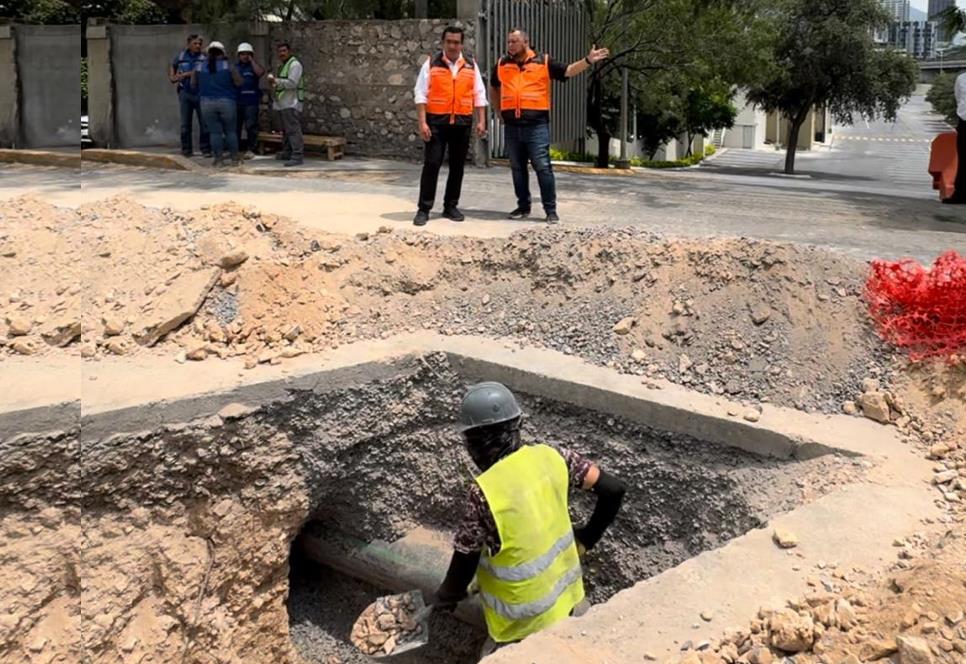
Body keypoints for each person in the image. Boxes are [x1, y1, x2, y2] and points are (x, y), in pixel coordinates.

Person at [432, 382, 626, 658]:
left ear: (475, 444)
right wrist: (586, 537)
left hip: (521, 630)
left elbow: (464, 561)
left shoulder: (483, 493)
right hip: (569, 605)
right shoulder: (555, 456)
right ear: (516, 426)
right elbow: (614, 490)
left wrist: (446, 596)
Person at [491, 30, 609, 223]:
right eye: (509, 41)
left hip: (536, 126)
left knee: (543, 167)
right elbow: (494, 87)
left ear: (526, 42)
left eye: (515, 41)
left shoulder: (543, 62)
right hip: (512, 126)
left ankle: (550, 211)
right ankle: (523, 206)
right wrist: (498, 111)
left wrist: (588, 60)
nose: (510, 45)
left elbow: (568, 70)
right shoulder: (502, 64)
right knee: (517, 168)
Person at [412, 26, 488, 227]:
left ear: (462, 44)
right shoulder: (431, 64)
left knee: (457, 167)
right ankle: (424, 208)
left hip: (462, 123)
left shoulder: (471, 66)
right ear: (443, 43)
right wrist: (422, 122)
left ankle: (450, 206)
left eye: (456, 42)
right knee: (432, 164)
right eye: (449, 42)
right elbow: (420, 95)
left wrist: (481, 121)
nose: (453, 46)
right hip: (437, 122)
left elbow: (479, 94)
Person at [191, 41, 243, 167]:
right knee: (231, 131)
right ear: (222, 53)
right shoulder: (228, 66)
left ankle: (219, 160)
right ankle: (235, 159)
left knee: (215, 132)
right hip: (227, 102)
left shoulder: (198, 67)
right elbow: (239, 82)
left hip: (206, 103)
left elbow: (193, 85)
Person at [169, 34, 210, 157]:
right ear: (188, 44)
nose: (198, 46)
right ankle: (186, 150)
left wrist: (187, 74)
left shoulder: (204, 58)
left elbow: (205, 72)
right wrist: (172, 76)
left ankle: (206, 149)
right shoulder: (181, 57)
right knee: (185, 125)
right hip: (185, 93)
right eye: (195, 43)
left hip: (201, 93)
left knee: (204, 124)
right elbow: (172, 66)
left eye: (199, 44)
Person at [266, 42, 305, 167]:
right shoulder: (283, 65)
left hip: (292, 102)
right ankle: (288, 152)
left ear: (289, 51)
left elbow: (292, 83)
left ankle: (297, 156)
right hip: (284, 103)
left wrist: (275, 81)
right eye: (280, 51)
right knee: (286, 130)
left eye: (284, 51)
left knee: (293, 130)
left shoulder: (294, 65)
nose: (281, 53)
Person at [235, 42, 265, 160]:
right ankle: (236, 149)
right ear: (239, 55)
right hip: (238, 101)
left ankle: (251, 148)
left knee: (251, 126)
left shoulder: (254, 67)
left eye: (247, 54)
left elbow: (260, 72)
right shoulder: (235, 67)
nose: (245, 56)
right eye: (242, 54)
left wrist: (252, 61)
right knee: (236, 126)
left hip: (251, 102)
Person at [948, 71, 966, 203]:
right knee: (963, 160)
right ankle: (959, 194)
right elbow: (958, 98)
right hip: (964, 122)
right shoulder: (961, 78)